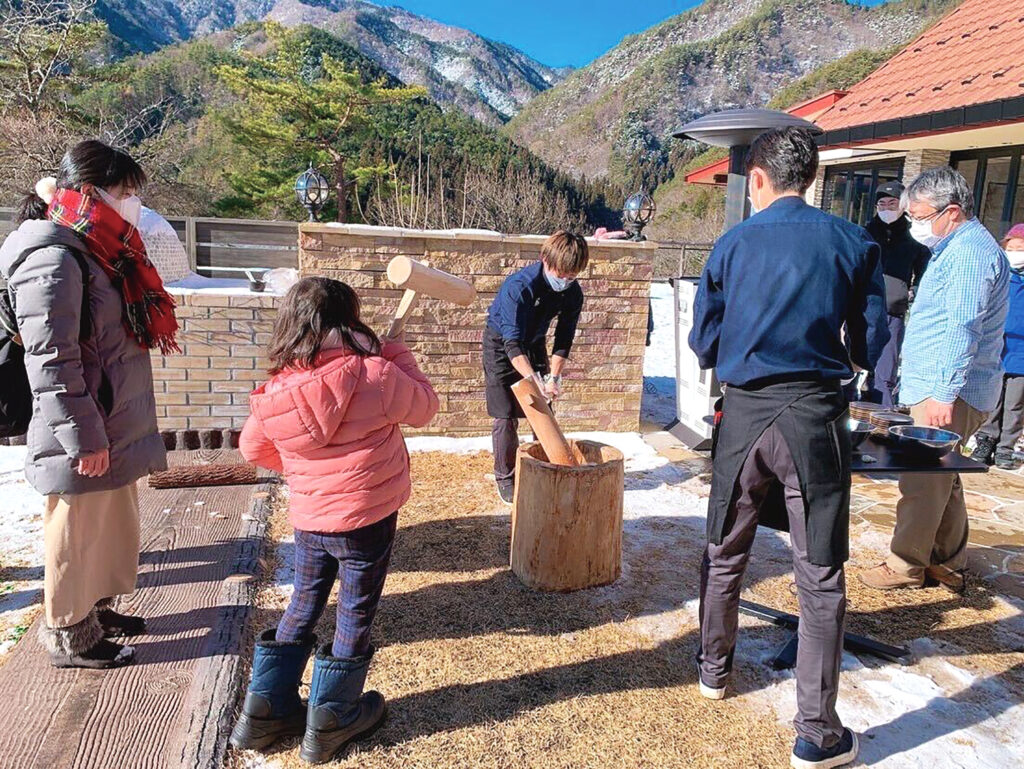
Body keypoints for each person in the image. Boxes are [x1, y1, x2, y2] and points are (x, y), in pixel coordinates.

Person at [689, 126, 888, 769]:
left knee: (725, 547)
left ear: (757, 179)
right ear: (813, 179)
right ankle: (816, 730)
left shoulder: (731, 243)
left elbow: (703, 339)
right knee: (819, 570)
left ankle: (712, 670)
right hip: (815, 415)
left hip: (742, 413)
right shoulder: (854, 241)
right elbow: (872, 338)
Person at [231, 277, 438, 763]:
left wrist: (308, 475)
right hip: (366, 517)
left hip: (311, 517)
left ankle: (263, 712)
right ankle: (331, 719)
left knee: (303, 602)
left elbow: (253, 448)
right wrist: (398, 356)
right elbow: (425, 408)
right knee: (355, 608)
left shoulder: (277, 388)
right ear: (350, 319)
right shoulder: (377, 374)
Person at [0, 140, 177, 668]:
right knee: (75, 529)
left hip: (109, 416)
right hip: (82, 424)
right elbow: (51, 359)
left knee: (107, 523)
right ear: (89, 192)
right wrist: (82, 436)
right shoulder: (54, 258)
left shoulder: (96, 247)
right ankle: (68, 630)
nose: (133, 204)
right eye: (125, 193)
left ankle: (94, 609)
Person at [859, 168, 1010, 594]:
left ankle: (905, 564)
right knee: (945, 475)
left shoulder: (969, 255)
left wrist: (943, 393)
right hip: (943, 386)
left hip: (949, 392)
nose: (914, 224)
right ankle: (947, 559)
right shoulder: (958, 247)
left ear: (953, 212)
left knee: (922, 479)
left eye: (921, 215)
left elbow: (963, 328)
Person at [482, 231, 588, 503]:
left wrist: (553, 378)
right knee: (505, 415)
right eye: (560, 273)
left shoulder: (572, 293)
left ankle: (546, 466)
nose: (564, 281)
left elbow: (564, 337)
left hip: (533, 341)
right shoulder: (520, 287)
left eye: (571, 276)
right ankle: (506, 477)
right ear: (544, 259)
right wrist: (533, 380)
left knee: (542, 407)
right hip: (502, 344)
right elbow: (512, 343)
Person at [862, 181, 932, 407]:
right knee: (857, 364)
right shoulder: (865, 232)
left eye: (892, 203)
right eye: (881, 204)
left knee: (885, 370)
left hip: (894, 311)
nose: (886, 208)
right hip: (862, 310)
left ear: (903, 205)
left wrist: (914, 291)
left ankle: (881, 419)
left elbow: (924, 269)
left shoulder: (915, 236)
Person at [974, 224, 1024, 469]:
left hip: (1022, 353)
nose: (1015, 253)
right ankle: (985, 440)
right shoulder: (1002, 276)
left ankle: (1006, 447)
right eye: (1011, 248)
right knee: (992, 398)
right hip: (997, 346)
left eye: (1020, 249)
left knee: (1015, 403)